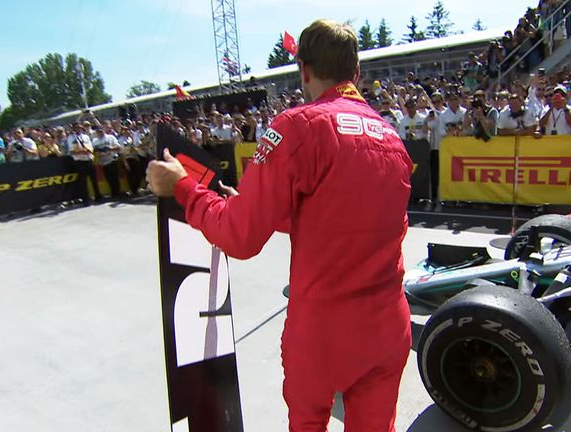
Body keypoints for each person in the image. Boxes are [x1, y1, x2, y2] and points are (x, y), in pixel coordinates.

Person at [147, 19, 413, 432]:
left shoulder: (298, 124)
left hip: (323, 328)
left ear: (303, 70)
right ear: (356, 74)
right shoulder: (392, 137)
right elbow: (355, 216)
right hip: (388, 324)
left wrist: (183, 188)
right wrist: (268, 208)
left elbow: (239, 237)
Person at [67, 122, 102, 204]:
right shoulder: (71, 138)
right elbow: (72, 151)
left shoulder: (86, 136)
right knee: (83, 181)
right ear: (74, 129)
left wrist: (86, 150)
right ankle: (85, 199)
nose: (78, 129)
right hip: (80, 161)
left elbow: (90, 148)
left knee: (94, 179)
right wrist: (81, 151)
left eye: (79, 127)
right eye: (76, 128)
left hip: (89, 159)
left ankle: (98, 196)